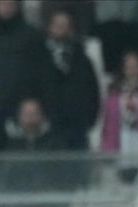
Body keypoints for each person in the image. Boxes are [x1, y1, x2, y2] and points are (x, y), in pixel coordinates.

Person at [39, 8, 101, 150]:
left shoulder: (82, 59)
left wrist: (89, 118)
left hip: (78, 127)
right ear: (50, 28)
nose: (61, 29)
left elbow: (93, 91)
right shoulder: (40, 58)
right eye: (57, 25)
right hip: (48, 127)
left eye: (64, 25)